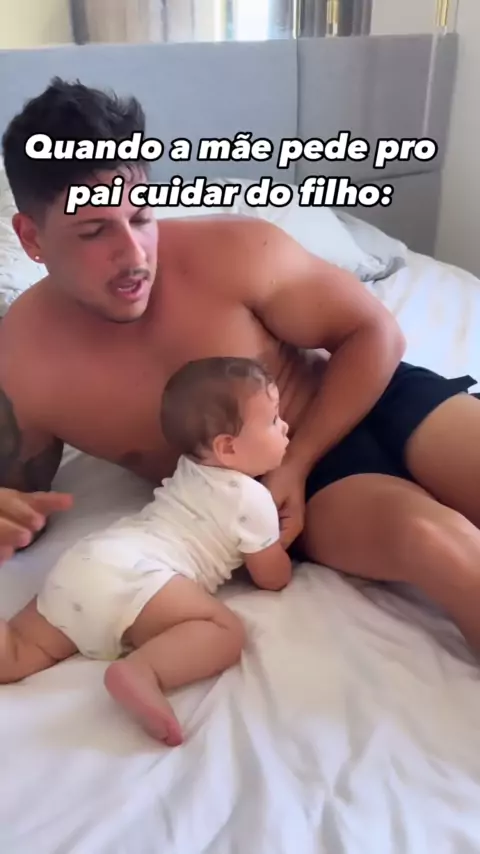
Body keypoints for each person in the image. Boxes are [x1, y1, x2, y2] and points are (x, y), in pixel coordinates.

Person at [1, 78, 480, 653]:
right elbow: (18, 488)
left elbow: (375, 332)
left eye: (141, 216)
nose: (132, 255)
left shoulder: (234, 249)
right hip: (289, 490)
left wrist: (297, 459)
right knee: (441, 546)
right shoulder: (23, 362)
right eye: (93, 231)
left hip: (373, 399)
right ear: (31, 237)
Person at [0, 357, 292, 745]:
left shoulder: (190, 467)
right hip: (143, 575)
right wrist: (279, 542)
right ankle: (144, 671)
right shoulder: (252, 500)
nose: (285, 427)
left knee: (17, 652)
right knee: (224, 630)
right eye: (273, 420)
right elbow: (272, 577)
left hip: (90, 559)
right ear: (227, 447)